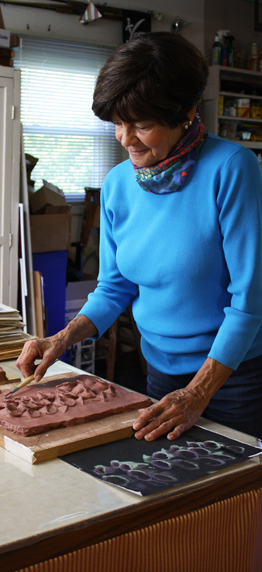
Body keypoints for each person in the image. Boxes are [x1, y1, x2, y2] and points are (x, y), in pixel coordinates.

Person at [16, 32, 262, 442]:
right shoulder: (118, 185)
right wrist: (60, 338)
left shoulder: (233, 168)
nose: (125, 139)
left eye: (142, 126)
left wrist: (198, 391)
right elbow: (114, 288)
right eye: (117, 124)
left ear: (184, 112)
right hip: (159, 374)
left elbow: (250, 301)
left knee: (229, 502)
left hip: (231, 378)